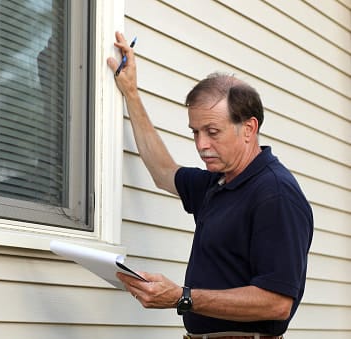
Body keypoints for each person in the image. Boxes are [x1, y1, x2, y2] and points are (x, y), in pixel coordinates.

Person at [107, 31, 313, 339]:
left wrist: (182, 297)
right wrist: (131, 94)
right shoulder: (216, 182)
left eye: (212, 132)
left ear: (248, 128)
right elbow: (163, 171)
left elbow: (277, 303)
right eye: (195, 132)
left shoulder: (275, 193)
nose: (202, 145)